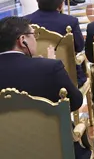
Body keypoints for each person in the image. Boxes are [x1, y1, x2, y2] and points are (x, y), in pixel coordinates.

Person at [0, 16, 89, 158]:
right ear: (22, 40)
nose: (36, 39)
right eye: (33, 35)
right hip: (55, 150)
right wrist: (51, 67)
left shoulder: (48, 67)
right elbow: (75, 102)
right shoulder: (50, 68)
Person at [25, 0, 86, 84]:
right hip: (67, 76)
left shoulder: (25, 21)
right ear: (60, 6)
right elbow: (79, 47)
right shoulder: (70, 21)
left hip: (34, 75)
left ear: (37, 1)